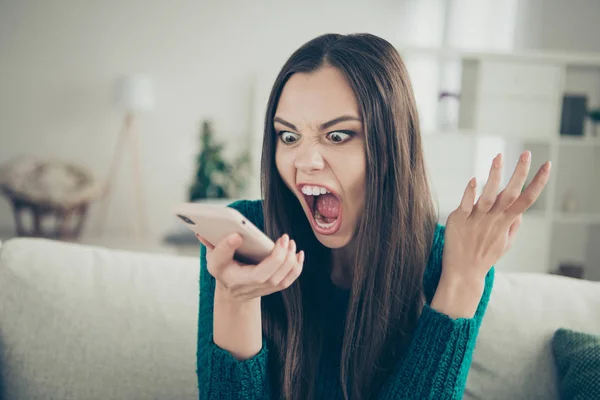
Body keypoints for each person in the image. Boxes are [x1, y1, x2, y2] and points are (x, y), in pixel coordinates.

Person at [195, 33, 551, 400]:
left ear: (391, 145)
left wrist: (461, 280)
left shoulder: (451, 260)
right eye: (288, 136)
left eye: (336, 136)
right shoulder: (245, 239)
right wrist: (236, 298)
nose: (304, 160)